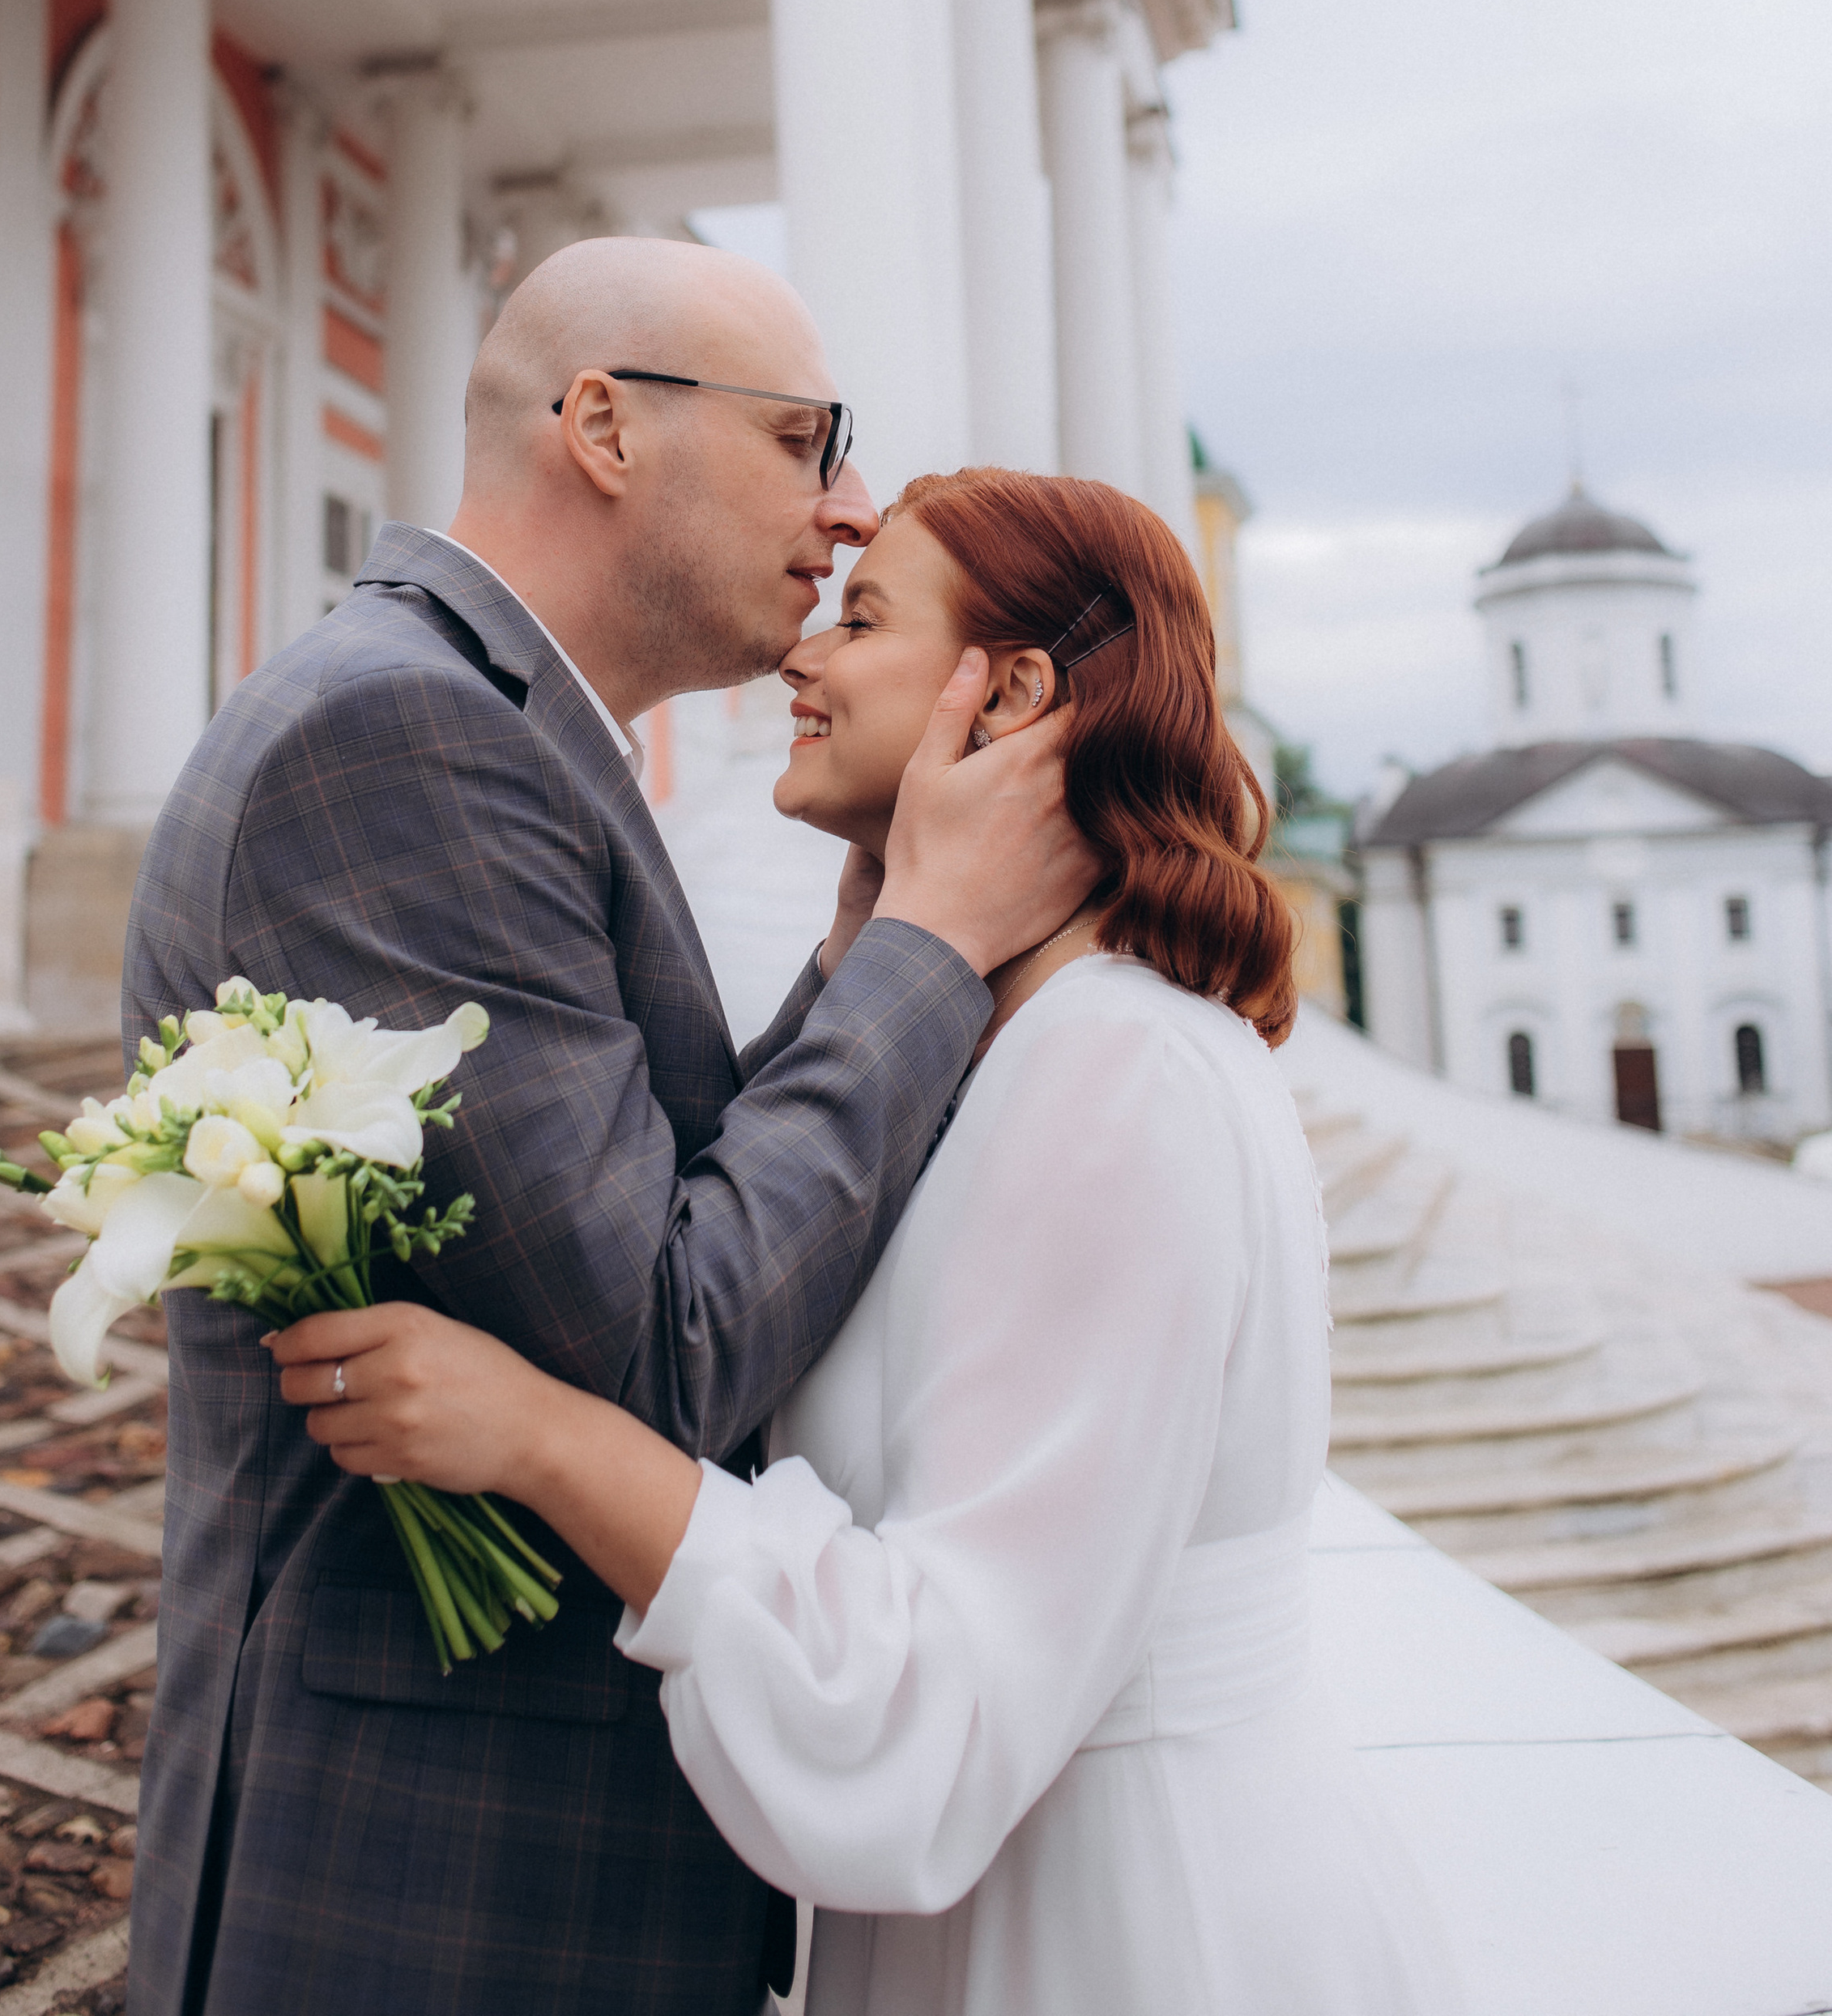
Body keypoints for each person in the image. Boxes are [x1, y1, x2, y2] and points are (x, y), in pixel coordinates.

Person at [271, 467, 1464, 2016]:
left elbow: (937, 1690)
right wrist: (878, 945)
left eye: (864, 619)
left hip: (1121, 1926)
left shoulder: (1116, 1074)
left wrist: (543, 1438)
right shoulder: (1001, 1038)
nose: (802, 654)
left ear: (1009, 695)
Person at [121, 241, 1099, 2016]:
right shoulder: (406, 738)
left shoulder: (478, 718)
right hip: (439, 1880)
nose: (848, 508)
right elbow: (661, 1349)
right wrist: (934, 946)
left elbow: (628, 1203)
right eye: (805, 439)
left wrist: (858, 954)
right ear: (602, 426)